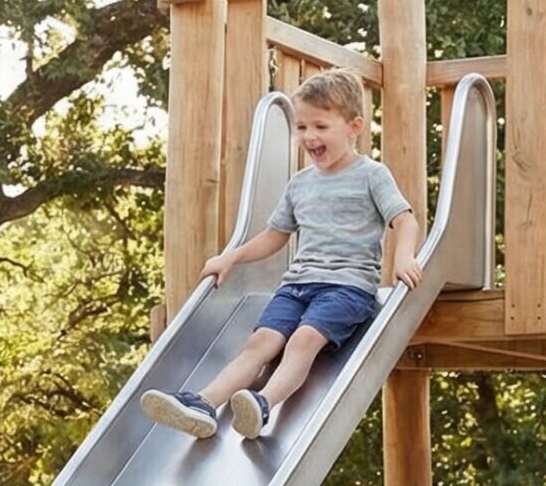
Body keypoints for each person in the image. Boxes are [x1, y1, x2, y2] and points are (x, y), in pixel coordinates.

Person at [141, 70, 422, 440]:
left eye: (321, 126)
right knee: (260, 344)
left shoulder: (371, 175)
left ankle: (262, 404)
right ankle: (204, 404)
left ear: (354, 126)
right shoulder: (300, 183)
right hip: (297, 285)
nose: (309, 137)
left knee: (303, 340)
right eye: (302, 127)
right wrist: (232, 257)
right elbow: (275, 235)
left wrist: (403, 257)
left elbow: (404, 221)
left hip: (346, 287)